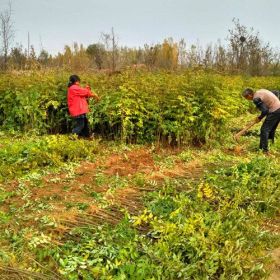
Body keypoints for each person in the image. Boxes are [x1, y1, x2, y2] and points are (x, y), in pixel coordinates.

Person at [242, 88, 280, 153]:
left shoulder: (255, 99)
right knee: (271, 129)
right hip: (278, 108)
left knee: (264, 130)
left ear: (249, 95)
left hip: (275, 110)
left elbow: (265, 111)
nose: (247, 99)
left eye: (246, 97)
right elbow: (275, 93)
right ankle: (271, 144)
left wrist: (259, 117)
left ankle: (264, 150)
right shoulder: (259, 92)